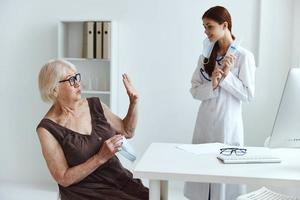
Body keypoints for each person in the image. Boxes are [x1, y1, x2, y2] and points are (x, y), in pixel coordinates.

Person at [36, 59, 148, 200]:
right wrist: (100, 158)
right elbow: (63, 178)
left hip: (118, 179)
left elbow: (127, 131)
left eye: (77, 77)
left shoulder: (95, 105)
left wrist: (133, 103)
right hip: (86, 191)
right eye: (71, 80)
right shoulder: (47, 129)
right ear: (54, 90)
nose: (78, 83)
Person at [184, 6, 256, 200]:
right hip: (205, 125)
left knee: (224, 189)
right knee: (203, 187)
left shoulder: (243, 56)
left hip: (228, 127)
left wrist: (226, 76)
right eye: (204, 27)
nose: (206, 32)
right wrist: (213, 84)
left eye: (209, 26)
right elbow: (194, 90)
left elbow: (248, 95)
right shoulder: (205, 56)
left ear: (225, 25)